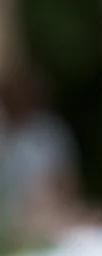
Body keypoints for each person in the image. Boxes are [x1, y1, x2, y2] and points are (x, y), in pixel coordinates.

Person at [0, 68, 80, 240]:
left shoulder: (50, 131)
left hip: (51, 209)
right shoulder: (5, 135)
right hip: (13, 216)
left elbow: (67, 180)